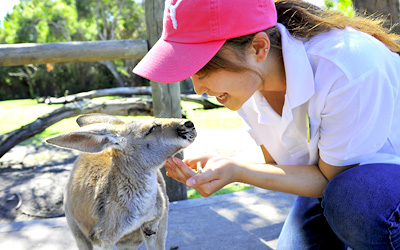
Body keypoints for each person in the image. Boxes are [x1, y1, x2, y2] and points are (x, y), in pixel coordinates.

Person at [133, 0, 400, 249]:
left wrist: (239, 171)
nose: (199, 88)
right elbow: (288, 168)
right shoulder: (248, 83)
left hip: (373, 183)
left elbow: (333, 179)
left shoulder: (344, 67)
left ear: (259, 48)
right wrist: (225, 167)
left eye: (204, 68)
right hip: (334, 184)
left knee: (354, 200)